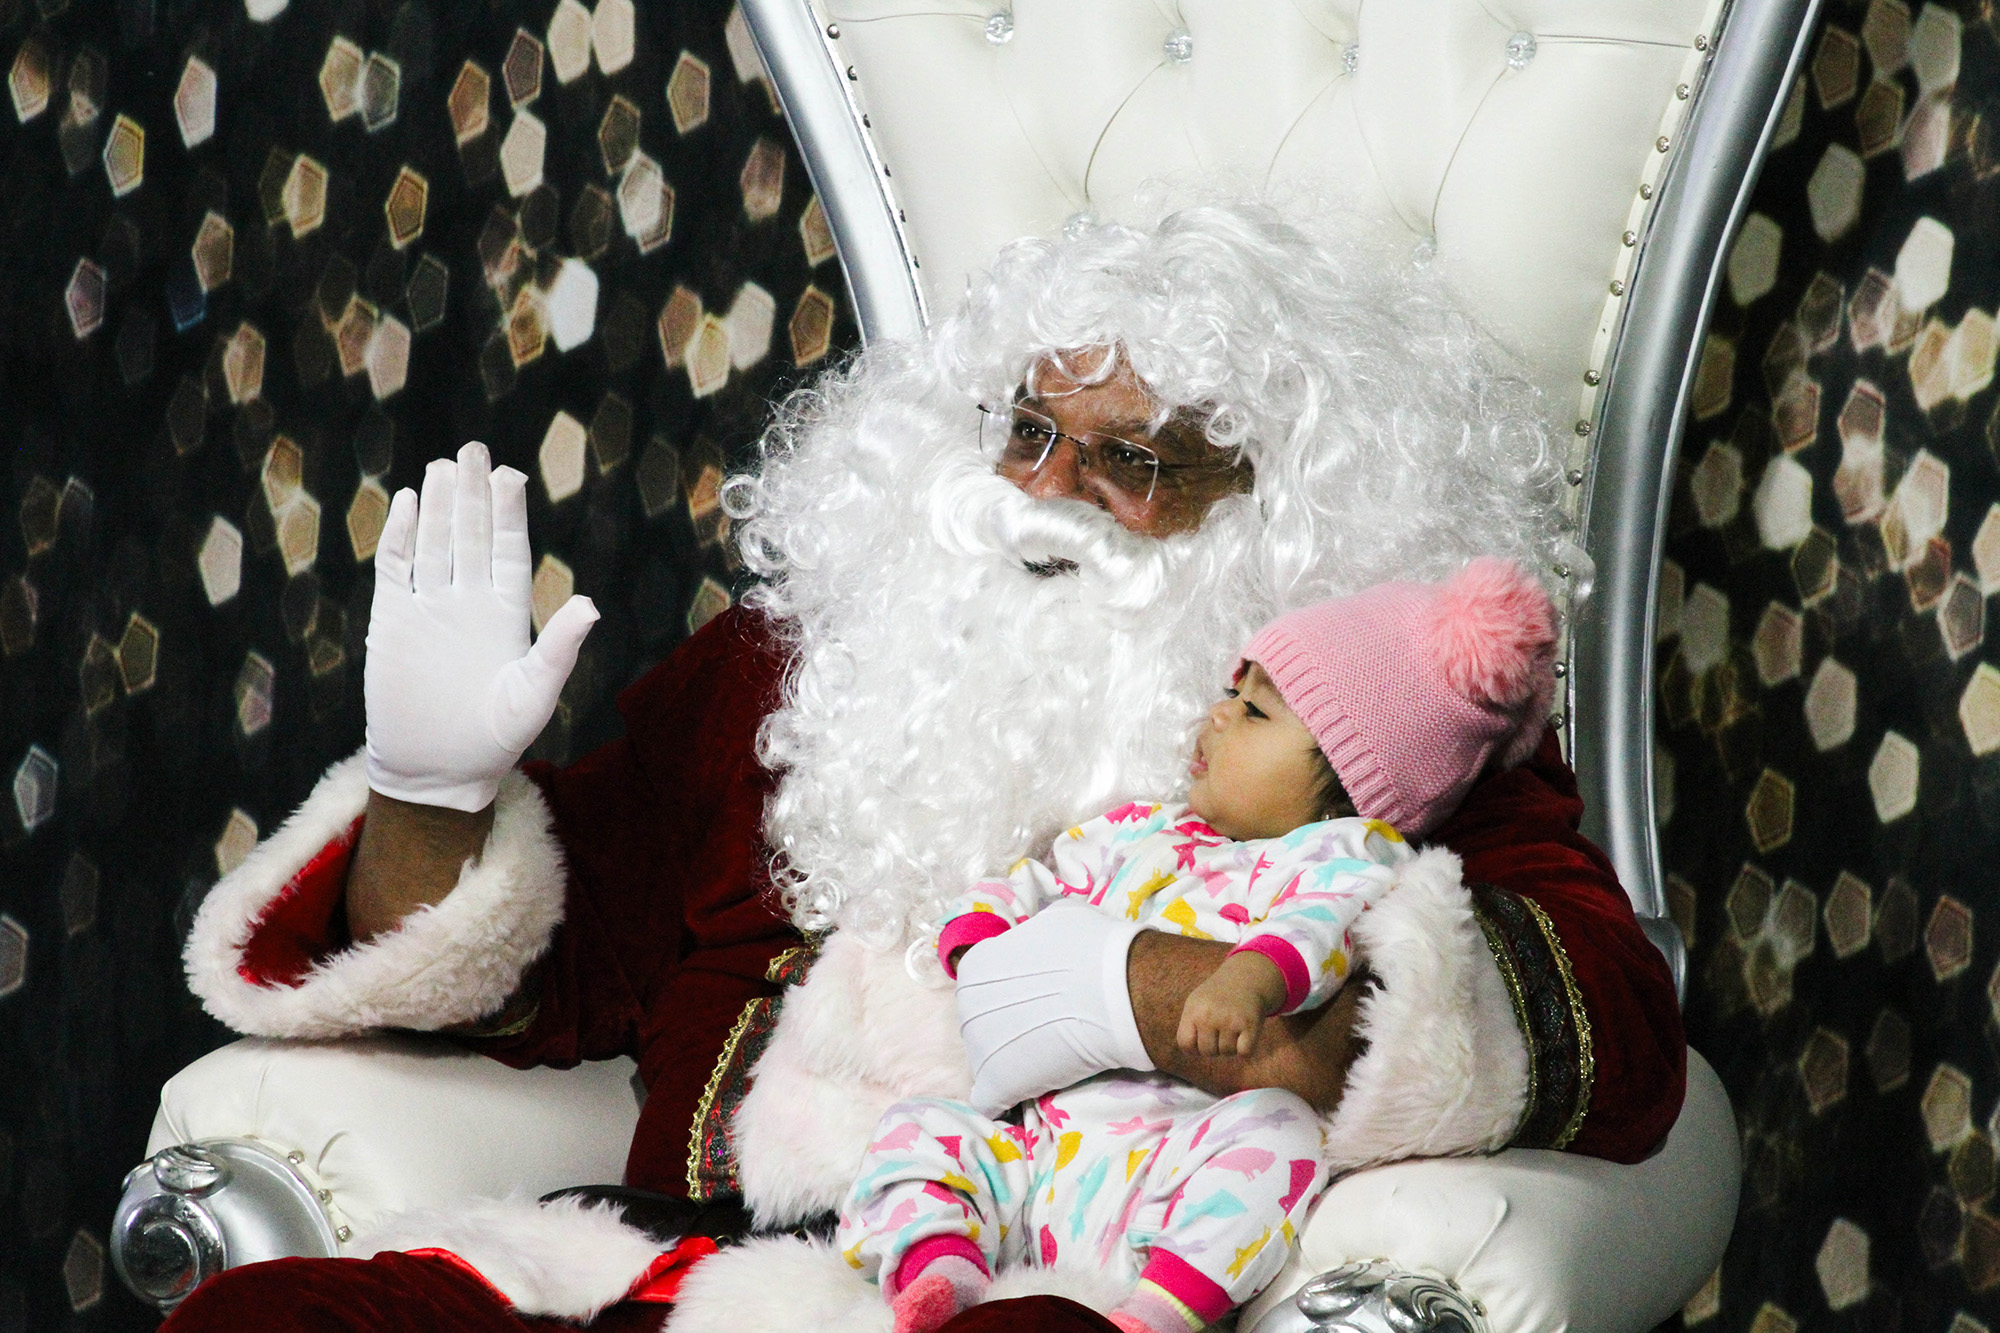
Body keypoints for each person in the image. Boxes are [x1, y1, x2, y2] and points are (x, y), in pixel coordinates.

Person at [166, 203, 1684, 1333]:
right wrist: (430, 794)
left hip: (1055, 1285)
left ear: (1285, 520)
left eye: (1133, 459)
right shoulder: (801, 670)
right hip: (681, 1269)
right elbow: (537, 972)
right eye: (1028, 429)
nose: (1043, 494)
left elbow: (1605, 1019)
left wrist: (1161, 999)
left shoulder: (1360, 746)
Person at [837, 559, 1558, 1333]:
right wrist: (978, 935)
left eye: (1255, 715)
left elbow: (1321, 925)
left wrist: (1250, 976)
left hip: (1171, 1158)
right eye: (1229, 695)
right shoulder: (1139, 829)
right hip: (1043, 1147)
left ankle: (1162, 1308)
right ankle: (943, 1268)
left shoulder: (1345, 851)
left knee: (1277, 1135)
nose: (1216, 718)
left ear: (1350, 781)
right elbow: (1038, 880)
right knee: (921, 1127)